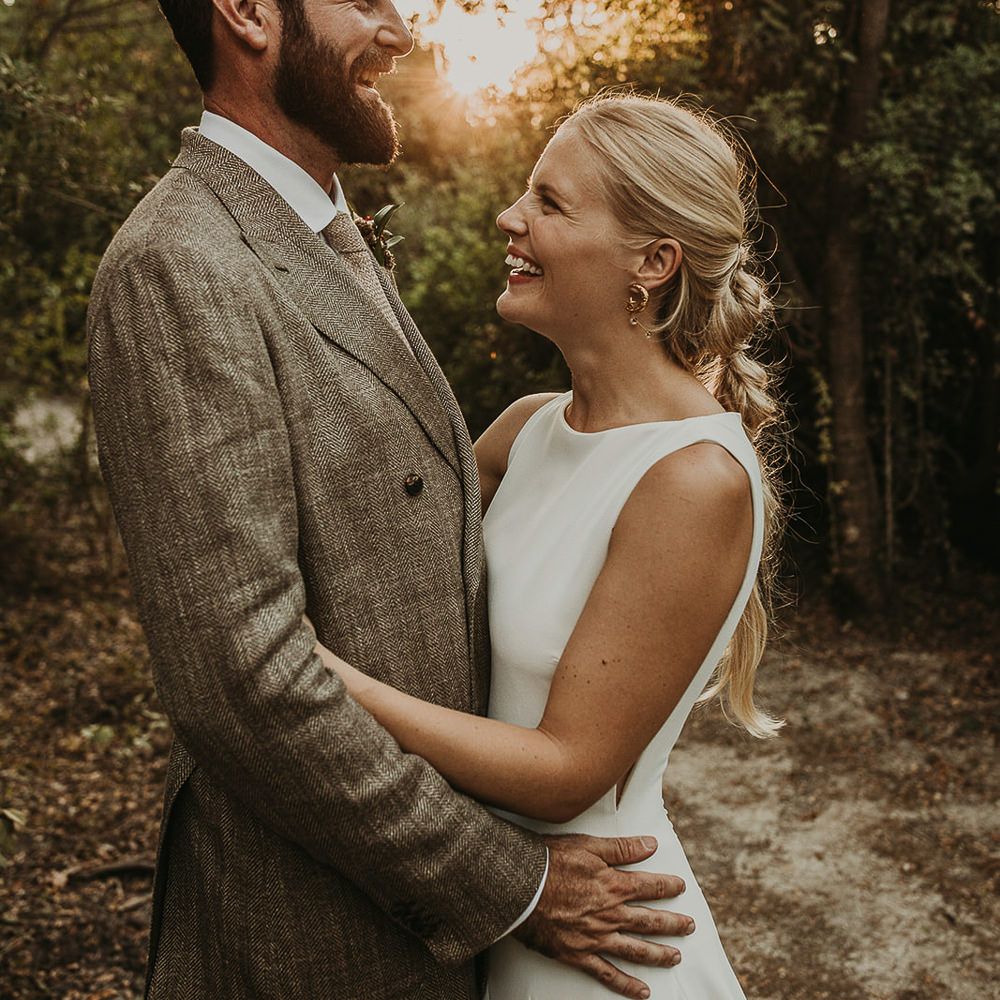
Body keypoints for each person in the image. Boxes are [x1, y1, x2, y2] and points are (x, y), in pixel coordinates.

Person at [86, 0, 695, 997]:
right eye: (366, 2)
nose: (402, 31)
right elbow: (244, 679)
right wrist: (510, 883)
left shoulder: (323, 230)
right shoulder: (177, 265)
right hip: (310, 940)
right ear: (247, 14)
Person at [312, 92, 786, 999]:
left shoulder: (693, 479)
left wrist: (324, 678)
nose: (509, 217)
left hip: (601, 944)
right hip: (495, 909)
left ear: (653, 262)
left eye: (551, 203)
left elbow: (567, 771)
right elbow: (369, 530)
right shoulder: (526, 429)